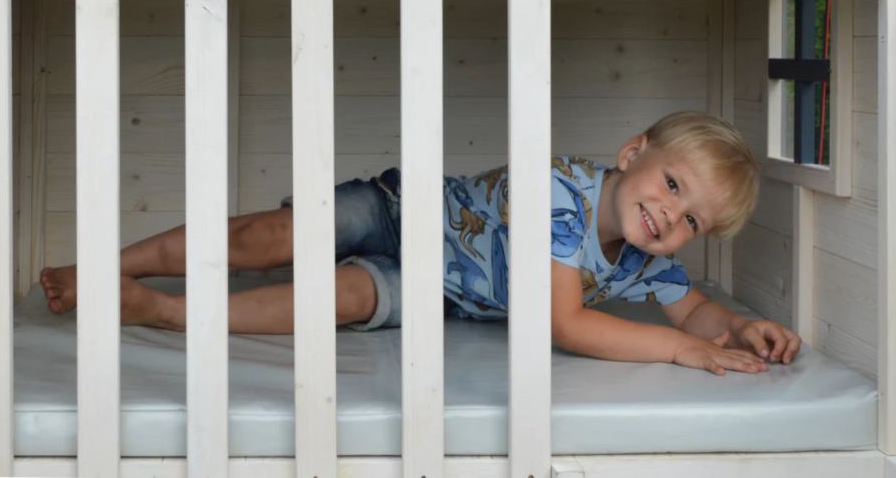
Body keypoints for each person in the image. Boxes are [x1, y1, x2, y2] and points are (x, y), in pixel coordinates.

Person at [39, 111, 801, 376]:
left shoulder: (640, 255)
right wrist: (681, 350)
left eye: (691, 220)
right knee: (266, 236)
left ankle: (163, 311)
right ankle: (107, 266)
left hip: (440, 287)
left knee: (337, 299)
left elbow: (690, 307)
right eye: (671, 184)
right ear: (632, 153)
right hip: (405, 213)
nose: (669, 217)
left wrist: (734, 328)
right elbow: (565, 324)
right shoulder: (564, 193)